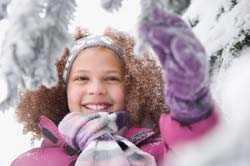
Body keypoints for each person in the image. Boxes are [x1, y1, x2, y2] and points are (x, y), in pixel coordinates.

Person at [11, 7, 218, 166]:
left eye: (111, 78)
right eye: (82, 78)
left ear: (131, 86)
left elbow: (206, 145)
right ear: (61, 89)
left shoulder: (158, 148)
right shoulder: (33, 161)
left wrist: (189, 102)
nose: (97, 89)